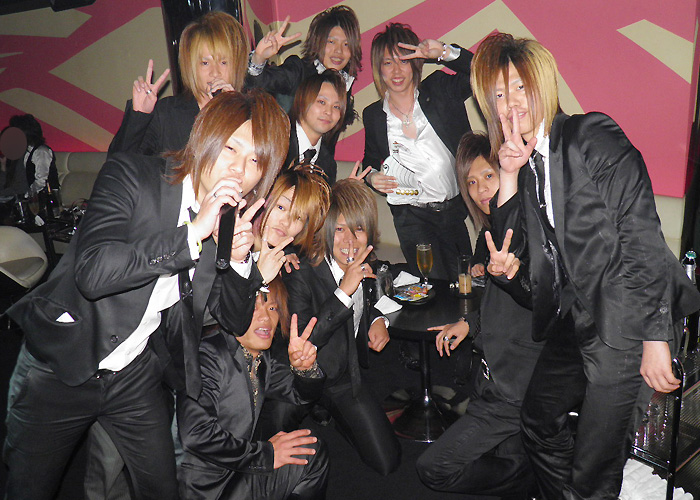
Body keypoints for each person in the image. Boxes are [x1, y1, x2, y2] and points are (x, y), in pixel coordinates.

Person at [3, 90, 290, 500]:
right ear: (205, 135)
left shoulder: (226, 216)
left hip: (134, 372)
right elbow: (92, 272)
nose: (239, 169)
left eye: (255, 160)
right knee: (29, 488)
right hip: (60, 365)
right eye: (231, 147)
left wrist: (241, 261)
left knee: (160, 488)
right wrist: (192, 234)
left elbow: (232, 318)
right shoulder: (132, 174)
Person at [471, 32, 700, 499]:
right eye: (498, 95)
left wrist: (655, 338)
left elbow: (642, 236)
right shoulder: (527, 166)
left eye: (519, 87)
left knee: (597, 464)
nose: (511, 103)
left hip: (629, 319)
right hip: (577, 319)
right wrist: (509, 174)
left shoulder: (589, 135)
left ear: (542, 83)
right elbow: (519, 251)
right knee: (538, 421)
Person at [415, 132, 540, 499]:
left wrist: (512, 275)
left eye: (488, 175)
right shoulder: (490, 232)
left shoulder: (529, 235)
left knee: (433, 469)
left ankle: (542, 479)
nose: (481, 189)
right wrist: (468, 323)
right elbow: (501, 307)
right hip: (488, 381)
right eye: (471, 182)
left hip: (513, 390)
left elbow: (540, 301)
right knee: (504, 463)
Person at [282, 179, 401, 475]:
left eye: (358, 228)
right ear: (326, 230)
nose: (350, 240)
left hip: (344, 375)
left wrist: (377, 319)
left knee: (387, 461)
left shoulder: (363, 260)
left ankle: (335, 414)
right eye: (339, 229)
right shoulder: (300, 270)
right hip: (299, 380)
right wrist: (344, 291)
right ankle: (318, 407)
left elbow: (367, 301)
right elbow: (305, 341)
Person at [176, 279, 329, 499]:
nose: (265, 317)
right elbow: (195, 434)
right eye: (254, 307)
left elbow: (300, 395)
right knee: (308, 453)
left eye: (272, 308)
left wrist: (305, 369)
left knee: (309, 449)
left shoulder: (260, 358)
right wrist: (265, 455)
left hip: (236, 472)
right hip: (206, 488)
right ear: (233, 310)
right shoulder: (208, 354)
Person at [362, 23, 473, 281]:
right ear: (379, 69)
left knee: (465, 284)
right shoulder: (374, 115)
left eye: (404, 61)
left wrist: (444, 51)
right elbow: (370, 161)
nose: (396, 71)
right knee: (432, 286)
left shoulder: (440, 90)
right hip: (412, 218)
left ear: (416, 63)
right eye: (388, 63)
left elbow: (481, 72)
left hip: (454, 212)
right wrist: (372, 177)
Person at [108, 11, 248, 156]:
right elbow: (117, 163)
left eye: (223, 62)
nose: (215, 72)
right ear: (191, 66)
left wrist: (234, 110)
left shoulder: (250, 113)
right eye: (205, 63)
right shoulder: (167, 114)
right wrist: (139, 116)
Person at [245, 5, 361, 146]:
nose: (339, 51)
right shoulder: (298, 70)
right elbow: (260, 83)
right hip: (279, 153)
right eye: (331, 42)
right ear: (318, 41)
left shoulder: (343, 82)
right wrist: (259, 58)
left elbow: (326, 145)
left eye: (346, 44)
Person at [284, 70, 347, 184]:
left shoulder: (328, 165)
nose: (329, 112)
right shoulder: (279, 145)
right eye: (322, 102)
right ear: (302, 100)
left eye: (336, 107)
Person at [0, 114, 59, 197]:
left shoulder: (41, 151)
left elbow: (41, 182)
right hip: (28, 197)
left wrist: (25, 196)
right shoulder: (24, 151)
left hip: (45, 198)